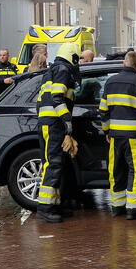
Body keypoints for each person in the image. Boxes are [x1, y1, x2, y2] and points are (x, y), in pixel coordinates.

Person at [99, 51, 136, 220]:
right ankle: (134, 210)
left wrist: (107, 131)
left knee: (116, 169)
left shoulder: (110, 82)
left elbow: (103, 110)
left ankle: (117, 207)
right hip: (134, 135)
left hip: (115, 136)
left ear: (124, 63)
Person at [35, 43, 81, 223]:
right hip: (53, 124)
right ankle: (44, 208)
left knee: (56, 164)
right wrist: (67, 122)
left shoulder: (52, 70)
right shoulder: (62, 70)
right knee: (52, 164)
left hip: (49, 123)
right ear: (72, 56)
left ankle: (54, 204)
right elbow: (57, 97)